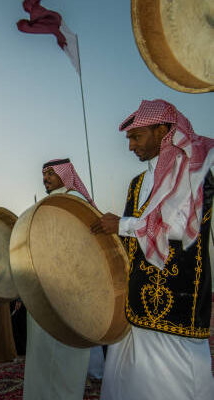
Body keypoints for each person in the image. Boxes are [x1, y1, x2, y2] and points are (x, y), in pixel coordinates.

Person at [91, 99, 214, 400]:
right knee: (126, 379)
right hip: (136, 300)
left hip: (177, 301)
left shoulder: (193, 171)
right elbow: (134, 236)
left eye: (136, 136)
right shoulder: (136, 184)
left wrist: (121, 225)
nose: (131, 146)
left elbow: (179, 226)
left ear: (162, 130)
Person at [22, 158, 94, 400]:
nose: (46, 179)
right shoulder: (46, 202)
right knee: (41, 350)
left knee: (65, 354)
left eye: (51, 174)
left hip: (69, 288)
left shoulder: (76, 200)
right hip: (43, 286)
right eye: (44, 174)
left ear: (66, 174)